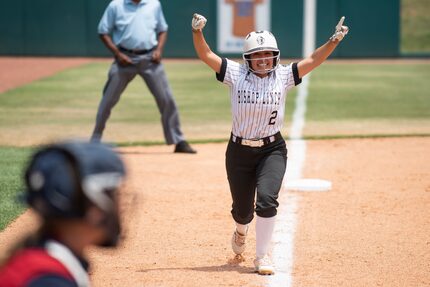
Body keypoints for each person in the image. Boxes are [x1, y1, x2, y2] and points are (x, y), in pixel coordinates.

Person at [191, 14, 349, 275]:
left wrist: (333, 41)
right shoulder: (235, 73)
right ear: (248, 58)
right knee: (242, 211)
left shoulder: (284, 76)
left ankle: (262, 256)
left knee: (266, 200)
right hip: (239, 151)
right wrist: (197, 32)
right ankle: (241, 230)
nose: (264, 59)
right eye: (258, 55)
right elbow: (206, 54)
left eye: (268, 54)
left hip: (272, 149)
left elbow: (313, 60)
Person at [0, 141, 126, 286]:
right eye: (113, 195)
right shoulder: (47, 280)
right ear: (94, 206)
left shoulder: (43, 258)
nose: (120, 206)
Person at [91, 0, 196, 154]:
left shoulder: (154, 4)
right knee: (107, 101)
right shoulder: (116, 5)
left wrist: (159, 50)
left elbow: (163, 29)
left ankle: (179, 140)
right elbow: (103, 31)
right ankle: (94, 141)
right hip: (124, 59)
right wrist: (117, 54)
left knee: (167, 99)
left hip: (150, 59)